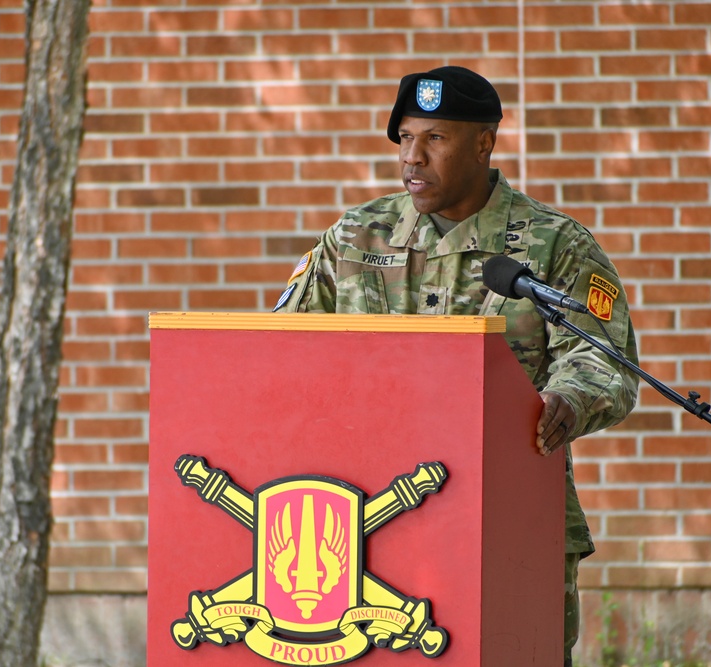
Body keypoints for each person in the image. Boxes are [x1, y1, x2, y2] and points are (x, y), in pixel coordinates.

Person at [272, 65, 639, 666]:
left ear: (484, 142)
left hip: (509, 516)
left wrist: (566, 402)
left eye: (434, 139)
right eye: (405, 139)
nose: (413, 157)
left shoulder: (552, 244)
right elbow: (281, 350)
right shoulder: (356, 238)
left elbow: (605, 358)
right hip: (368, 517)